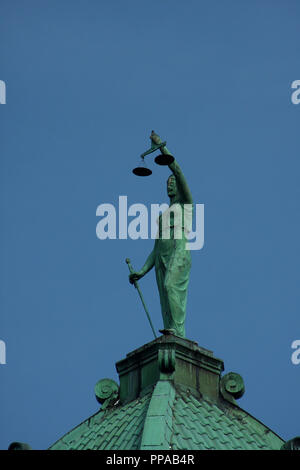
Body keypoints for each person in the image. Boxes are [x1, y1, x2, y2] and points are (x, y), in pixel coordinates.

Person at [129, 133, 193, 338]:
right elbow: (155, 249)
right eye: (167, 182)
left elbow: (178, 170)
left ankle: (178, 332)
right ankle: (172, 332)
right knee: (165, 298)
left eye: (172, 181)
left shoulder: (185, 205)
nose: (170, 184)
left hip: (179, 250)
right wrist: (141, 271)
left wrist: (161, 149)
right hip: (162, 256)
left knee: (170, 286)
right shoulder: (162, 215)